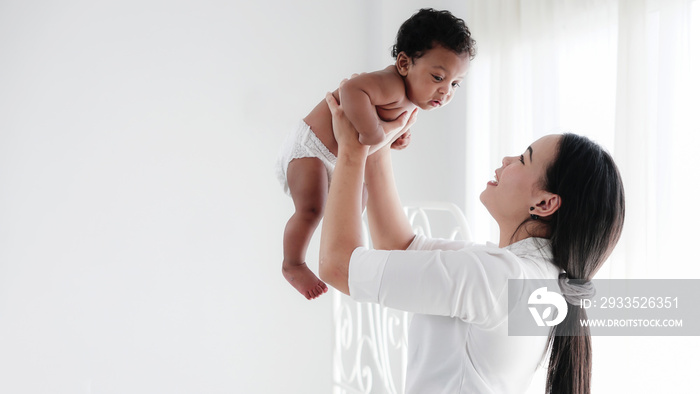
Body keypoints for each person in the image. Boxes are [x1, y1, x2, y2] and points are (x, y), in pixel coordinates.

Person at [319, 91, 625, 393]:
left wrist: (351, 151)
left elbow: (337, 265)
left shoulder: (498, 276)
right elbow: (399, 246)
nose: (507, 159)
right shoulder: (531, 277)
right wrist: (376, 143)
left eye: (523, 158)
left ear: (545, 204)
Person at [276, 8, 476, 300]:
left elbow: (381, 124)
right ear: (404, 63)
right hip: (310, 150)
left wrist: (395, 136)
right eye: (437, 77)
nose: (445, 92)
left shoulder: (409, 100)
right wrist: (373, 133)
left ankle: (337, 243)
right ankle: (292, 263)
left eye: (455, 84)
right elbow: (351, 90)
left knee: (360, 198)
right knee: (311, 209)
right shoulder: (391, 84)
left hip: (336, 159)